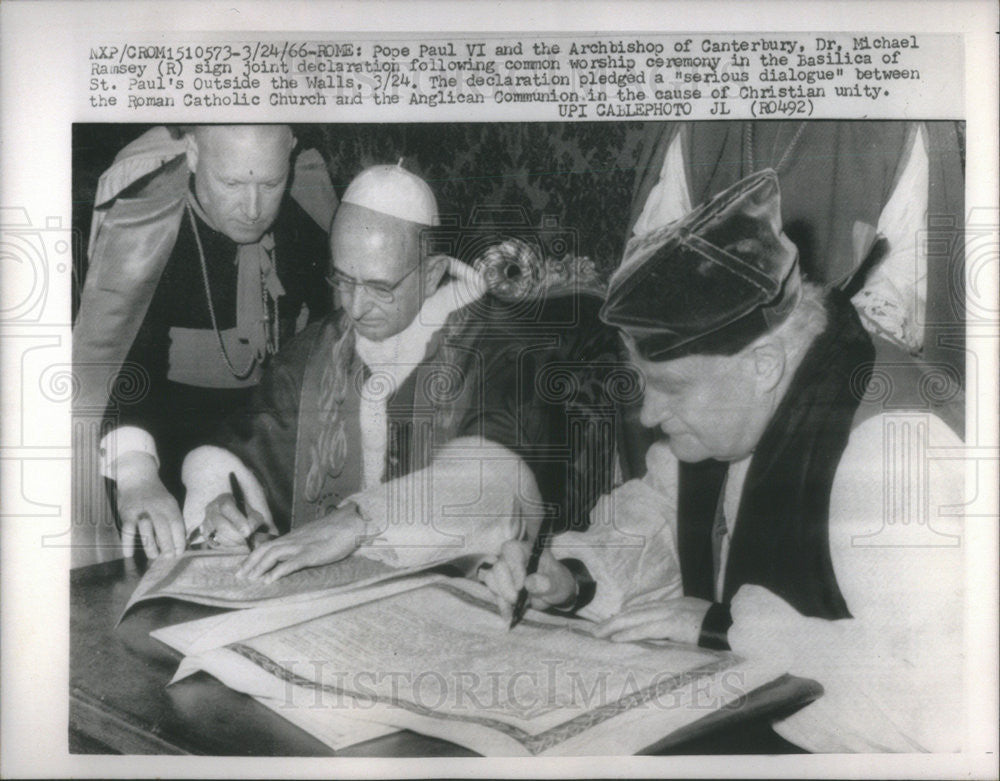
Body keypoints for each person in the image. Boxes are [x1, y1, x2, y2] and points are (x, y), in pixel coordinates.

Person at [480, 169, 965, 752]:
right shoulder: (746, 400)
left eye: (673, 388)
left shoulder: (892, 459)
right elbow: (662, 509)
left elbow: (947, 708)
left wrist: (727, 628)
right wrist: (571, 576)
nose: (650, 415)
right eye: (643, 383)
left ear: (763, 366)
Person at [176, 164, 593, 581]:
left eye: (380, 288)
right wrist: (225, 506)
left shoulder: (500, 350)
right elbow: (242, 449)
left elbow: (498, 487)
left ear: (431, 275)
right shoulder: (317, 349)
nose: (355, 308)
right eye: (343, 280)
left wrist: (360, 520)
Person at [73, 124, 336, 562]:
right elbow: (124, 365)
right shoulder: (148, 228)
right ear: (193, 154)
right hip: (165, 454)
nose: (252, 209)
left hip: (269, 449)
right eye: (231, 183)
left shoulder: (303, 222)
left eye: (270, 183)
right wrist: (137, 474)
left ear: (290, 153)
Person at [628, 121, 966, 378]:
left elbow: (909, 269)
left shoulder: (898, 115)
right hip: (710, 354)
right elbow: (659, 256)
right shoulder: (699, 112)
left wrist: (814, 357)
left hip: (837, 357)